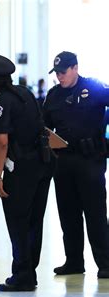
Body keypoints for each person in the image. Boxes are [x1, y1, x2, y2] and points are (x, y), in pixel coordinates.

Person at [0, 53, 55, 292]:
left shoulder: (0, 104)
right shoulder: (25, 94)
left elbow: (2, 143)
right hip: (42, 165)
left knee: (18, 221)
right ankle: (29, 271)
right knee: (34, 220)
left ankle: (22, 274)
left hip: (20, 169)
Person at [43, 51, 109, 279]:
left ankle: (105, 262)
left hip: (90, 159)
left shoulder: (94, 88)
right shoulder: (53, 96)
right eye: (57, 73)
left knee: (96, 213)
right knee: (68, 213)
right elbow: (45, 126)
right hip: (64, 161)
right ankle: (73, 261)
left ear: (75, 68)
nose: (60, 77)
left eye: (63, 72)